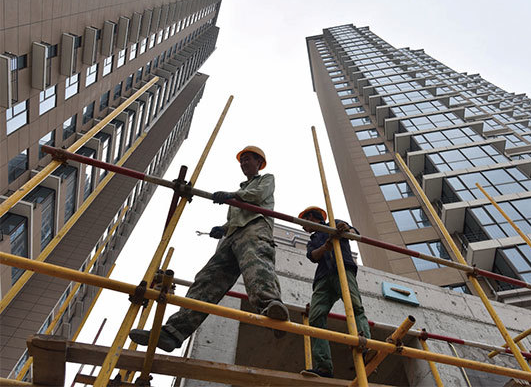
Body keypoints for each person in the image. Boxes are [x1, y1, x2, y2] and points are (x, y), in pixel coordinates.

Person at [129, 146, 289, 352]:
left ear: (259, 162)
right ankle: (173, 332)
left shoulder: (265, 179)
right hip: (232, 235)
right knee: (207, 279)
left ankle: (271, 307)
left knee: (256, 264)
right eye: (242, 161)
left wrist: (232, 196)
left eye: (248, 159)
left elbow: (257, 196)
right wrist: (221, 228)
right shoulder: (241, 191)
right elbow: (235, 218)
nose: (243, 164)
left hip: (255, 228)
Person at [298, 206, 371, 378]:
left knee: (354, 307)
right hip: (323, 278)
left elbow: (353, 232)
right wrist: (326, 247)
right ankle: (323, 367)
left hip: (343, 269)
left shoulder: (334, 223)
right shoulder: (313, 240)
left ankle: (365, 344)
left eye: (304, 223)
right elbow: (313, 256)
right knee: (315, 317)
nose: (303, 227)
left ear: (310, 217)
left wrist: (345, 229)